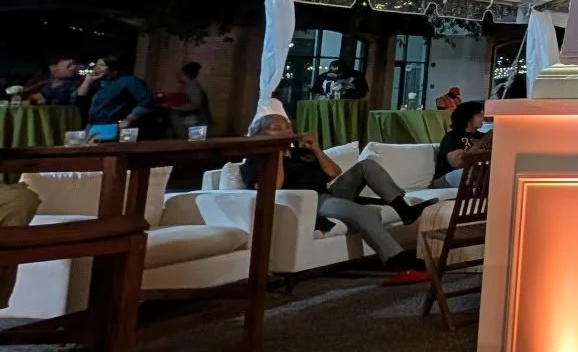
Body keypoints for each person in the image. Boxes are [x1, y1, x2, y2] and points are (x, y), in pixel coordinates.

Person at [244, 111, 432, 271]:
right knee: (362, 212)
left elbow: (333, 173)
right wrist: (276, 153)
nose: (286, 131)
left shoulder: (301, 153)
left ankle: (404, 210)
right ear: (260, 135)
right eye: (277, 129)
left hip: (329, 192)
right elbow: (275, 186)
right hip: (309, 202)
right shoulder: (256, 161)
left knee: (367, 165)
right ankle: (395, 258)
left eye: (287, 126)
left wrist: (316, 149)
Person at [80, 55, 154, 137]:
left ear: (112, 67)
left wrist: (129, 119)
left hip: (113, 126)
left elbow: (147, 100)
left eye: (101, 65)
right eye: (96, 65)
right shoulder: (96, 81)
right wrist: (87, 80)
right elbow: (80, 95)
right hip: (92, 126)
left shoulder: (128, 80)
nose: (97, 68)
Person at [433, 100, 489, 186]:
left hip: (477, 174)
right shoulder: (452, 136)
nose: (483, 118)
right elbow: (457, 162)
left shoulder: (484, 136)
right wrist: (481, 143)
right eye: (479, 115)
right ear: (468, 117)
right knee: (476, 171)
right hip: (449, 177)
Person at [167, 61, 211, 137]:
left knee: (195, 142)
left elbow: (195, 104)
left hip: (195, 121)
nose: (179, 76)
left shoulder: (192, 86)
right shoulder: (189, 86)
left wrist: (177, 108)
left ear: (186, 75)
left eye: (181, 74)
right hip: (193, 121)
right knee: (195, 142)